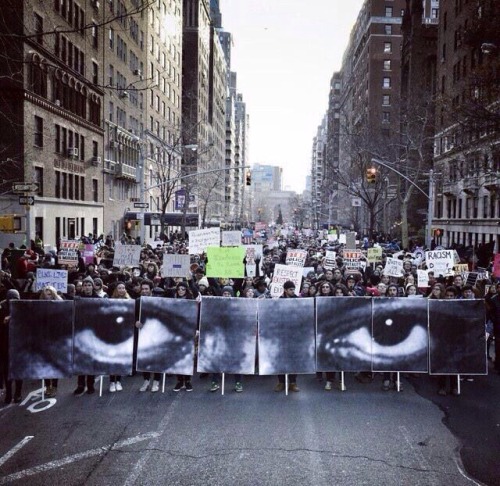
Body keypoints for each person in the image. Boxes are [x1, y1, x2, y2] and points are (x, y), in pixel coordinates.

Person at [73, 276, 100, 396]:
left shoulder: (98, 299)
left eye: (89, 285)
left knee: (91, 359)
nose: (87, 287)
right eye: (85, 285)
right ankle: (80, 384)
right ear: (82, 287)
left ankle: (90, 384)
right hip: (80, 333)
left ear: (92, 286)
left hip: (93, 333)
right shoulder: (78, 299)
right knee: (80, 359)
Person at [135, 280, 162, 392]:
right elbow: (134, 315)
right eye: (143, 289)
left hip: (156, 334)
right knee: (144, 357)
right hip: (143, 334)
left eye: (147, 289)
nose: (145, 291)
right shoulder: (138, 301)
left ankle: (156, 381)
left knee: (156, 357)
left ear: (151, 289)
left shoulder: (157, 301)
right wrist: (136, 322)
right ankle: (146, 380)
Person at [274, 281, 299, 392]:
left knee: (293, 358)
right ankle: (281, 382)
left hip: (294, 333)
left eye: (293, 289)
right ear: (285, 290)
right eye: (290, 289)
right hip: (281, 333)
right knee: (281, 358)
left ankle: (293, 382)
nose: (293, 291)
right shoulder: (279, 301)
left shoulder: (297, 300)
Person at [39, 286, 63, 397]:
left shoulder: (60, 305)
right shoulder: (39, 305)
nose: (47, 296)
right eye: (45, 294)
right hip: (44, 338)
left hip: (56, 339)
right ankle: (47, 385)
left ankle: (54, 386)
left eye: (49, 294)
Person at [172, 282, 195, 392]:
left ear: (186, 290)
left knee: (187, 356)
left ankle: (188, 380)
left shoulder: (191, 301)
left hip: (187, 331)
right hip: (175, 331)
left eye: (183, 289)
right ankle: (180, 380)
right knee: (177, 357)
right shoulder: (173, 300)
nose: (181, 291)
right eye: (179, 289)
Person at [0, 289, 22, 404]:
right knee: (7, 370)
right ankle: (8, 393)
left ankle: (18, 393)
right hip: (5, 343)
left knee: (19, 370)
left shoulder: (22, 306)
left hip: (18, 344)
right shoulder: (2, 307)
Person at [108, 282, 131, 392]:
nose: (122, 290)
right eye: (119, 288)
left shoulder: (130, 302)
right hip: (112, 334)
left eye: (123, 288)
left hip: (124, 334)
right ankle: (112, 382)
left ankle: (119, 381)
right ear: (116, 290)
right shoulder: (110, 302)